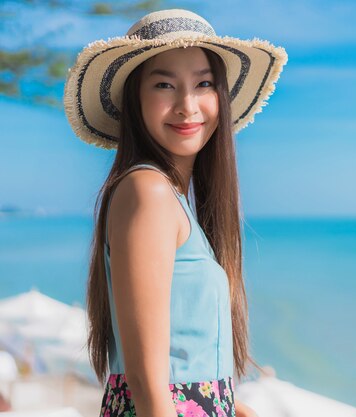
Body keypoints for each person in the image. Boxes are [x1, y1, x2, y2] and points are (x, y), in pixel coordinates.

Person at [63, 9, 287, 417]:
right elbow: (148, 390)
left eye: (203, 84)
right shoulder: (148, 191)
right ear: (135, 100)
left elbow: (180, 368)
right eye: (164, 84)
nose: (187, 105)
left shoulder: (174, 201)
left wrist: (233, 408)